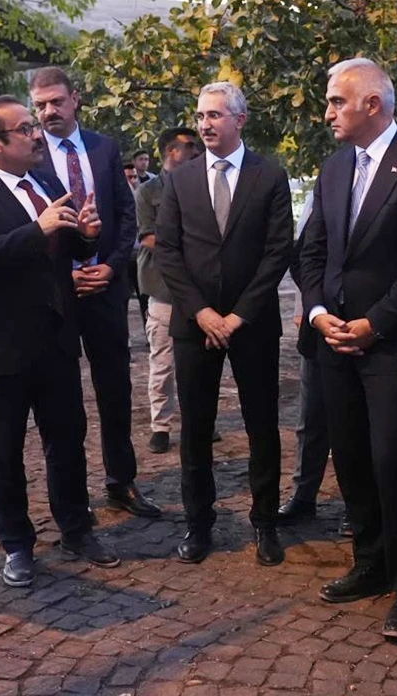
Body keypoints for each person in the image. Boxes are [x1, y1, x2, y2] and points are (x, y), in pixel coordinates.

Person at [297, 58, 397, 642]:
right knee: (349, 458)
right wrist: (318, 313)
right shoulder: (334, 165)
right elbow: (312, 250)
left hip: (392, 344)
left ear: (372, 103)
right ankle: (371, 562)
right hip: (333, 339)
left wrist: (375, 323)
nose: (327, 113)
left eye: (336, 101)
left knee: (391, 460)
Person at [0, 95, 119, 588]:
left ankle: (76, 529)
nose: (35, 135)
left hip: (55, 337)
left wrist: (85, 235)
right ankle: (17, 545)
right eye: (24, 129)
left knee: (67, 439)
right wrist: (35, 230)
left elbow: (63, 247)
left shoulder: (44, 181)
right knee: (3, 450)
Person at [154, 81, 293, 566]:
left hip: (252, 324)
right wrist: (202, 312)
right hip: (195, 325)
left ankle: (265, 523)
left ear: (239, 119)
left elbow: (278, 251)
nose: (204, 124)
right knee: (195, 429)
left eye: (214, 115)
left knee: (262, 426)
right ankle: (199, 524)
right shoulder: (180, 180)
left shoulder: (269, 175)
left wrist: (237, 315)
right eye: (200, 116)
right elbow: (168, 251)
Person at [29, 67, 161, 519]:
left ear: (75, 99)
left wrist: (109, 266)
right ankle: (71, 498)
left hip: (105, 288)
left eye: (56, 102)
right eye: (40, 105)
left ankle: (121, 481)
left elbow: (125, 214)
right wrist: (64, 275)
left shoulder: (103, 148)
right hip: (57, 295)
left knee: (114, 388)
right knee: (62, 398)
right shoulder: (30, 157)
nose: (48, 112)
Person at [281, 192, 350, 536]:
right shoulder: (327, 191)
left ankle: (358, 504)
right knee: (311, 420)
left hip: (374, 330)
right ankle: (303, 495)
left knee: (358, 425)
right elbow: (302, 255)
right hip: (320, 329)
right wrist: (315, 304)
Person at [135, 126, 201, 454]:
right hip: (163, 290)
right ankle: (161, 426)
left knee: (199, 363)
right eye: (190, 146)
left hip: (199, 290)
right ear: (171, 152)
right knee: (163, 362)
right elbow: (147, 238)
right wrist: (193, 246)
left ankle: (201, 421)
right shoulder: (148, 192)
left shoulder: (202, 186)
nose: (196, 151)